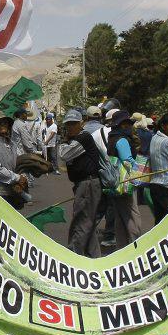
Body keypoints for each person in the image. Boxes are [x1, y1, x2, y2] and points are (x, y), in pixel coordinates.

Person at [57, 109, 109, 258]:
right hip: (85, 184)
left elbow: (64, 154)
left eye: (74, 124)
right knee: (88, 222)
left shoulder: (83, 138)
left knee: (81, 222)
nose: (70, 127)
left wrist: (64, 141)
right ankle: (94, 256)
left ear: (81, 123)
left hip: (88, 184)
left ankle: (75, 256)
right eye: (68, 124)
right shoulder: (77, 139)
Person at [106, 110, 144, 250]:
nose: (129, 127)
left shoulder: (112, 137)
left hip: (114, 182)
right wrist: (140, 170)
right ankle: (136, 245)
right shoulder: (122, 140)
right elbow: (127, 161)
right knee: (132, 214)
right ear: (121, 125)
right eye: (126, 124)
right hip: (125, 182)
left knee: (120, 216)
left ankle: (121, 247)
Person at [0, 111, 30, 209]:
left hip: (14, 191)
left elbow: (19, 163)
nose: (3, 125)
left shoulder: (11, 143)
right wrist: (17, 178)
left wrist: (23, 176)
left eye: (5, 122)